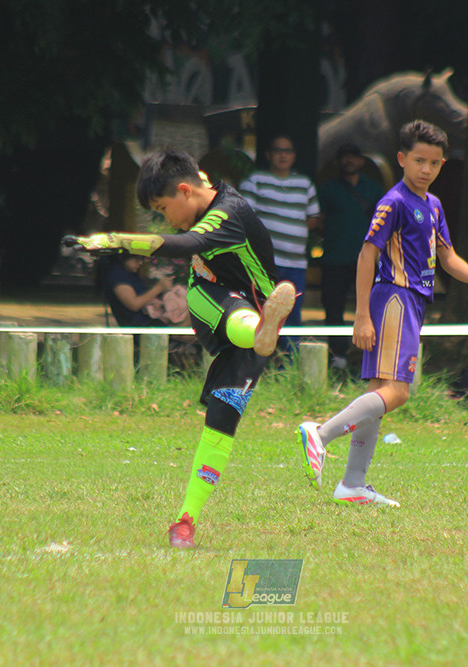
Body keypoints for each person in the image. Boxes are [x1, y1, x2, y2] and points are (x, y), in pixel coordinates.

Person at [65, 150, 296, 549]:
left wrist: (117, 241)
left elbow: (186, 242)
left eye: (162, 208)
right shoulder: (203, 187)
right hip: (211, 300)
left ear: (185, 191)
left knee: (222, 420)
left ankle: (185, 521)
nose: (164, 218)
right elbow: (196, 177)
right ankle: (258, 330)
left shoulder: (228, 214)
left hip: (253, 322)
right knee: (231, 309)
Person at [297, 120, 468, 507]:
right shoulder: (394, 202)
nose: (427, 169)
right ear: (402, 159)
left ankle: (352, 484)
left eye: (435, 163)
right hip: (394, 299)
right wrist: (361, 316)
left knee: (379, 393)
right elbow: (367, 254)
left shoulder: (433, 205)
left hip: (412, 304)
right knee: (399, 392)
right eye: (420, 160)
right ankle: (319, 435)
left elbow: (446, 256)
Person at [239, 135, 322, 349]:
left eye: (288, 151)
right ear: (268, 154)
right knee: (257, 312)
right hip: (263, 263)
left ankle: (288, 367)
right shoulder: (255, 180)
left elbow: (313, 217)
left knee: (292, 317)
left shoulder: (304, 184)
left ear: (294, 156)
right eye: (278, 150)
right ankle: (255, 364)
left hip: (295, 264)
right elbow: (246, 218)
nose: (283, 155)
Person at [317, 143, 385, 368]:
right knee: (333, 307)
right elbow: (318, 222)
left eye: (353, 156)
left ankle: (369, 355)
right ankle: (339, 355)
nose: (349, 161)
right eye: (344, 157)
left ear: (362, 161)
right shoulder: (327, 189)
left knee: (372, 308)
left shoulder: (375, 189)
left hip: (367, 261)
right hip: (335, 258)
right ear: (338, 162)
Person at [103, 252, 177, 327]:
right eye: (137, 259)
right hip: (138, 325)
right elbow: (134, 304)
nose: (140, 263)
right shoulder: (118, 275)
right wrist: (158, 288)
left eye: (142, 259)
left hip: (148, 320)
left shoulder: (132, 274)